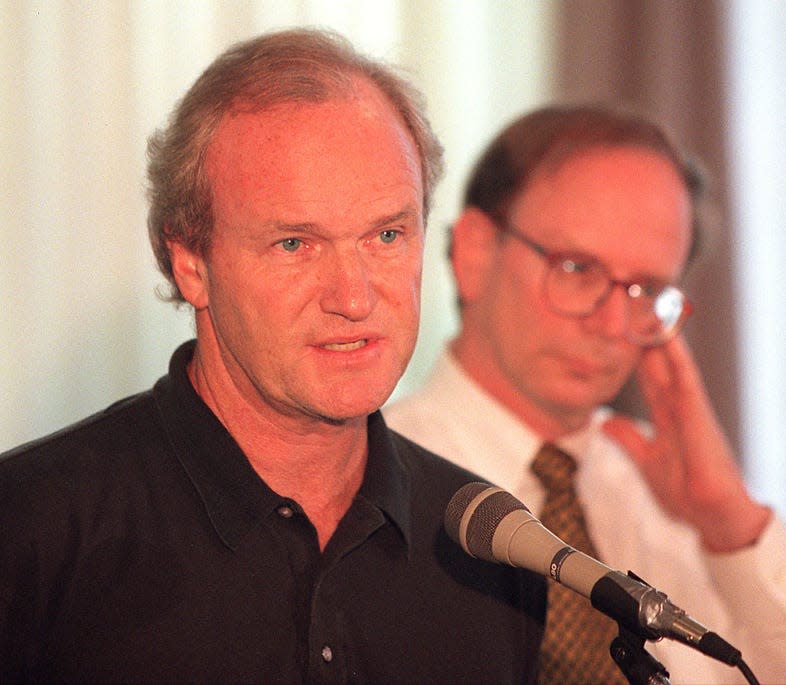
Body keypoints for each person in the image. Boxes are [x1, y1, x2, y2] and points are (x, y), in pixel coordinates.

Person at [0, 29, 547, 683]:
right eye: (295, 244)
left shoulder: (484, 546)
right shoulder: (32, 528)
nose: (353, 296)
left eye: (387, 234)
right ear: (190, 262)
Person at [384, 105, 786, 684]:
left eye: (645, 289)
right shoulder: (375, 479)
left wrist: (730, 523)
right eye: (578, 268)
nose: (610, 324)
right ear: (475, 251)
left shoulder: (677, 495)